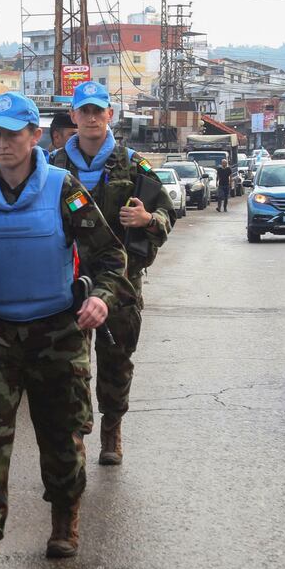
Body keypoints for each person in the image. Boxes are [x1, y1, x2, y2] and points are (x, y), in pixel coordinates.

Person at [0, 92, 130, 569]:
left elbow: (110, 258)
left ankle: (63, 521)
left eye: (15, 133)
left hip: (57, 329)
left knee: (60, 437)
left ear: (36, 136)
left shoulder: (63, 188)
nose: (4, 143)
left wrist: (100, 298)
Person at [50, 81, 175, 465]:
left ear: (110, 116)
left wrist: (147, 218)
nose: (90, 118)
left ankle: (112, 428)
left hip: (119, 282)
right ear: (73, 116)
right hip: (66, 282)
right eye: (83, 111)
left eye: (97, 111)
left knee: (116, 361)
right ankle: (78, 433)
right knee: (70, 367)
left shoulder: (133, 163)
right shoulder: (52, 165)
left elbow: (167, 213)